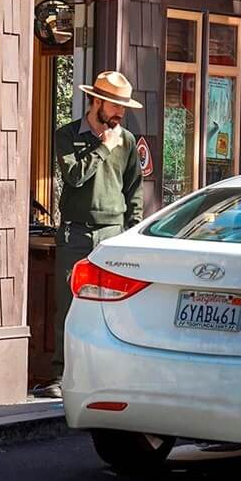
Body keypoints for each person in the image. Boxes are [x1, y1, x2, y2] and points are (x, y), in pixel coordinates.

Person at [32, 70, 144, 399]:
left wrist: (132, 233)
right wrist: (102, 148)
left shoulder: (126, 141)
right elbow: (74, 177)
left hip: (112, 233)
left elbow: (134, 190)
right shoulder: (68, 135)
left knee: (112, 308)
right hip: (75, 233)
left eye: (123, 107)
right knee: (68, 306)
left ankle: (107, 376)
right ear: (96, 102)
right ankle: (61, 375)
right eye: (114, 106)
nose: (120, 114)